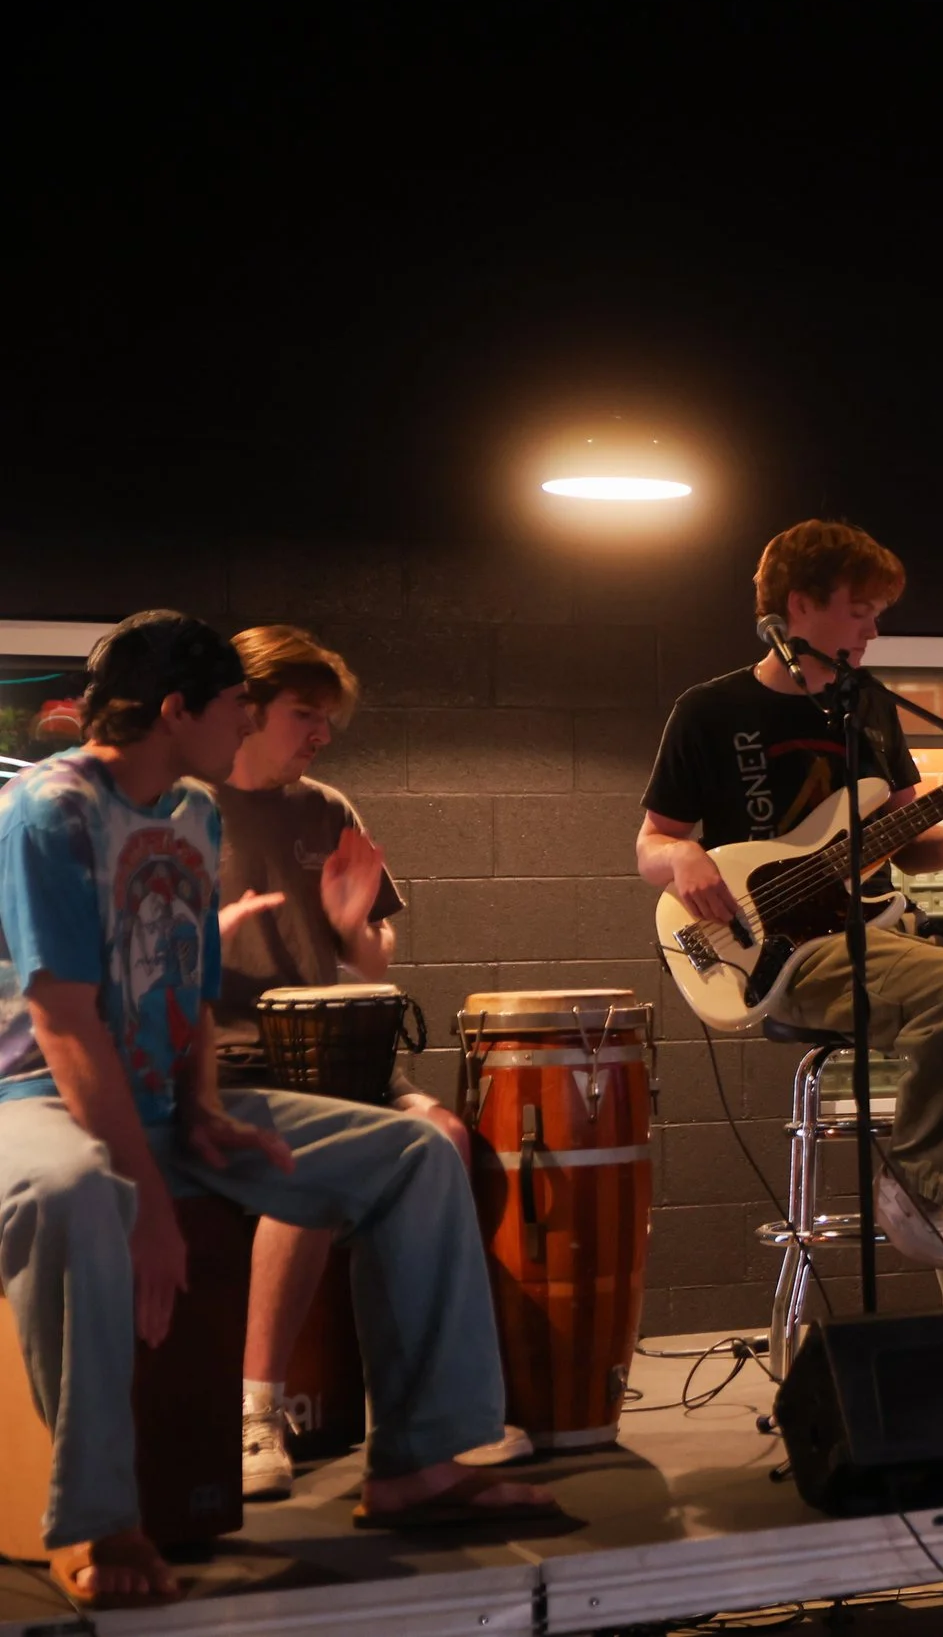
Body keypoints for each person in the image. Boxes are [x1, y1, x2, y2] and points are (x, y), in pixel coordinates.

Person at [0, 612, 552, 1611]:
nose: (247, 727)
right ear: (180, 709)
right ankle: (98, 1515)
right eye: (237, 708)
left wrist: (206, 1111)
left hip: (167, 1092)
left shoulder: (190, 816)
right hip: (40, 1095)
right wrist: (152, 1195)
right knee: (79, 1195)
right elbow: (68, 1020)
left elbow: (187, 992)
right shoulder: (51, 809)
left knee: (413, 1153)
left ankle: (418, 1463)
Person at [635, 518, 943, 1268]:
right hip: (791, 953)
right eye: (860, 609)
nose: (875, 627)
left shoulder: (868, 707)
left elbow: (905, 848)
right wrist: (683, 856)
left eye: (878, 612)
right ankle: (918, 1179)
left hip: (889, 924)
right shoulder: (711, 711)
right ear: (799, 606)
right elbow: (651, 841)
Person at [211, 625, 522, 1499]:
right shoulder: (179, 807)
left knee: (449, 1136)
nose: (320, 735)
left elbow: (373, 957)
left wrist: (354, 926)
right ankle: (255, 1412)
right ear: (246, 707)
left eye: (328, 721)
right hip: (230, 1065)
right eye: (304, 715)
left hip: (339, 1055)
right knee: (321, 1168)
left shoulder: (327, 807)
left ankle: (424, 1412)